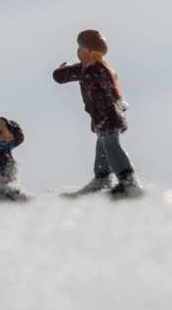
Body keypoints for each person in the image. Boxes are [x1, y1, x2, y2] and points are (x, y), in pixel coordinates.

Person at [54, 29, 139, 196]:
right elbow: (59, 76)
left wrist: (65, 69)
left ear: (92, 52)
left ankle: (128, 182)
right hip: (104, 116)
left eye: (81, 48)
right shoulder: (92, 68)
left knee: (111, 147)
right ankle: (102, 179)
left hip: (107, 116)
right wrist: (65, 69)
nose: (78, 52)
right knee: (103, 147)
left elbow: (63, 75)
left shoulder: (93, 70)